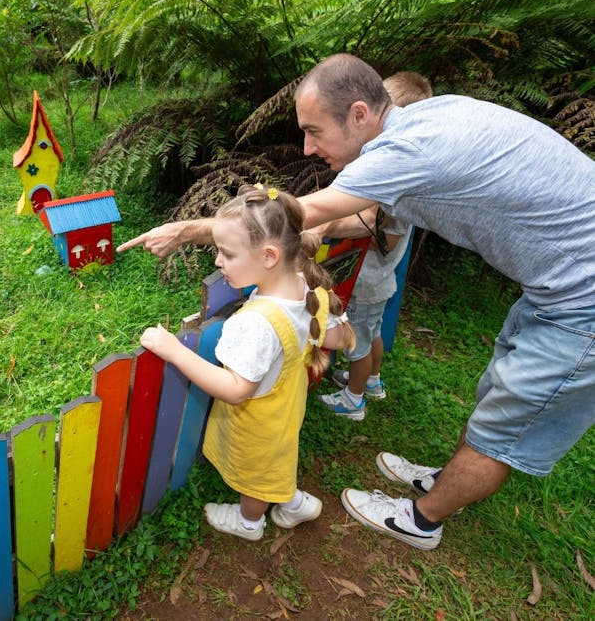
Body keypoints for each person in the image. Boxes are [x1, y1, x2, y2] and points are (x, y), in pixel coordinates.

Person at [119, 53, 595, 551]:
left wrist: (187, 229)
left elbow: (285, 215)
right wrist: (320, 232)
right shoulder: (426, 120)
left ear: (360, 114)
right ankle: (444, 478)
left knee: (506, 427)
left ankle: (421, 520)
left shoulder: (407, 151)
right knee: (497, 392)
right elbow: (367, 212)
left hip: (581, 300)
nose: (307, 147)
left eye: (314, 130)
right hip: (554, 287)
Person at [139, 184, 356, 541]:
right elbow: (339, 338)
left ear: (269, 256)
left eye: (226, 253)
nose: (217, 261)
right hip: (286, 404)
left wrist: (174, 350)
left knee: (255, 472)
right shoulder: (303, 287)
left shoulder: (255, 323)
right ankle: (290, 501)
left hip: (258, 418)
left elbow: (236, 390)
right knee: (278, 456)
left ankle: (249, 522)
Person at [315, 71, 433, 420]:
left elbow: (386, 238)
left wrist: (334, 224)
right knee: (373, 333)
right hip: (378, 282)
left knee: (358, 343)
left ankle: (353, 400)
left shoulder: (397, 185)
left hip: (368, 282)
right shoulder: (400, 176)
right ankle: (371, 381)